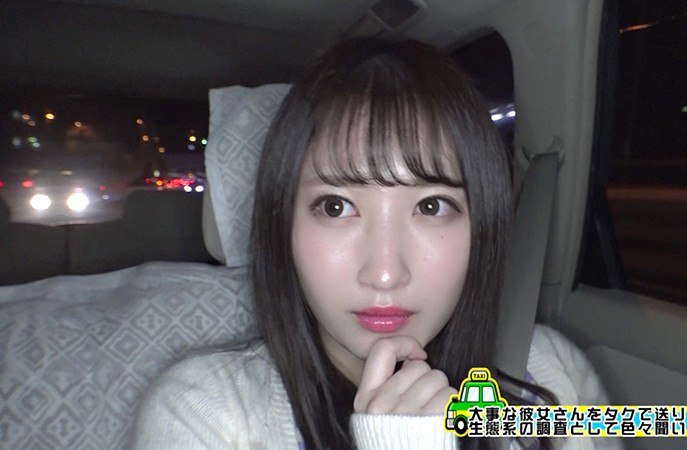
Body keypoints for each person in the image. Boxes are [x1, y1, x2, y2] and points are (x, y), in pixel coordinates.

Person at [130, 37, 620, 450]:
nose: (385, 273)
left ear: (483, 228)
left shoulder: (549, 373)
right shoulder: (202, 415)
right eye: (336, 207)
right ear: (283, 228)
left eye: (431, 206)